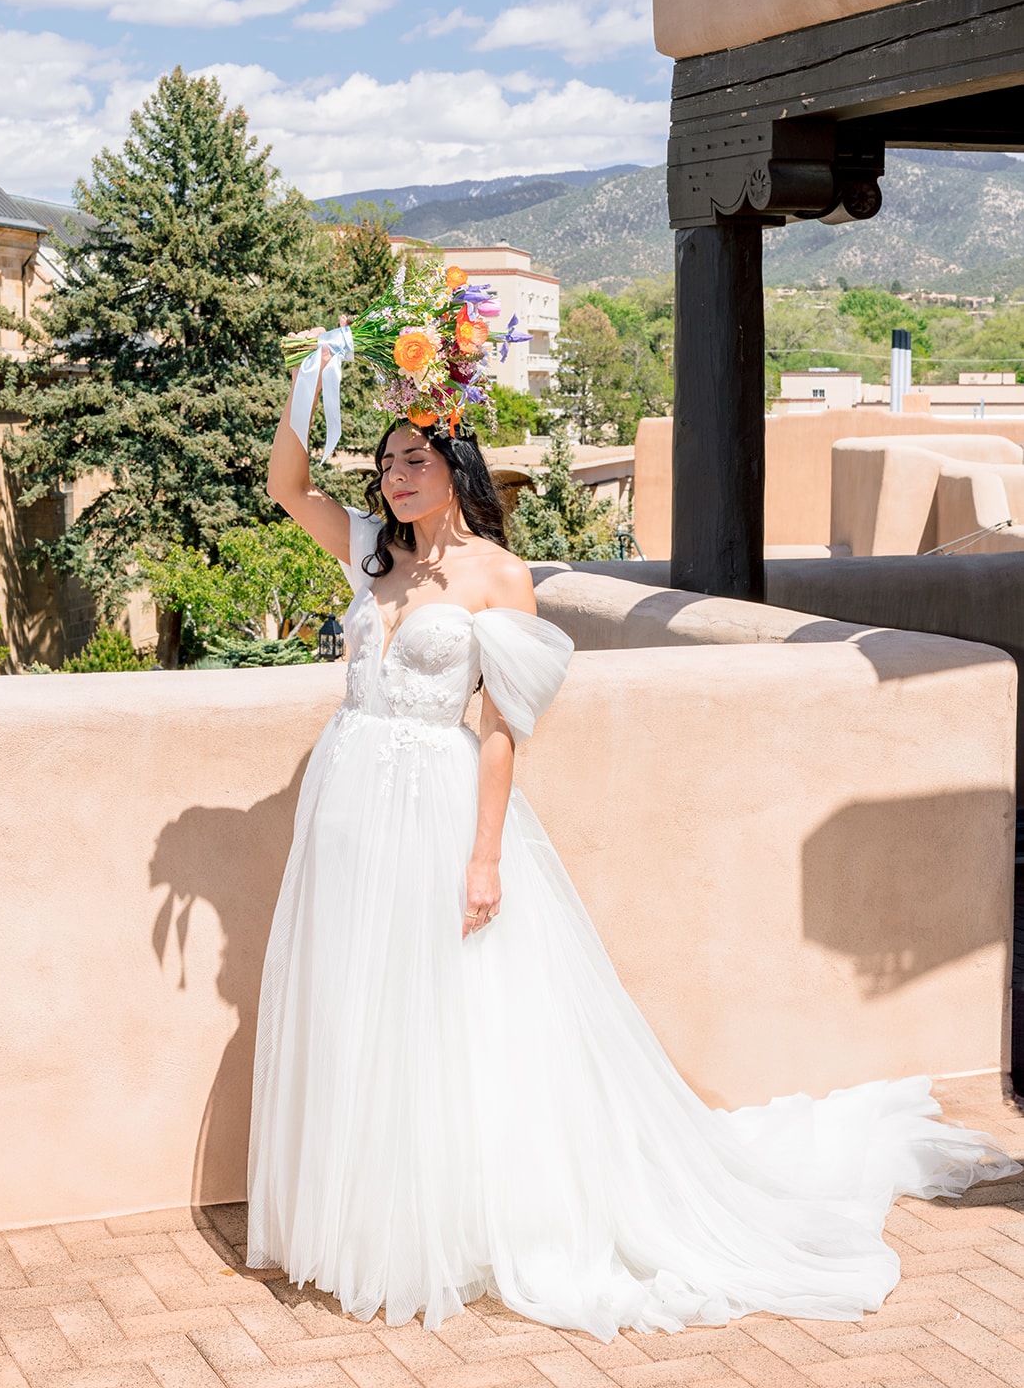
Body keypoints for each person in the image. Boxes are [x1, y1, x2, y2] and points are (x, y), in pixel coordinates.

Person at [247, 331, 1018, 1342]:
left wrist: (483, 858)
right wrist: (311, 382)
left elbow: (498, 733)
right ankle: (370, 1214)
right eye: (386, 462)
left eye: (415, 460)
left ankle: (453, 1218)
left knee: (444, 1005)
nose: (395, 479)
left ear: (454, 468)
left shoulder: (500, 579)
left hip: (437, 804)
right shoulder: (366, 552)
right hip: (349, 798)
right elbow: (281, 482)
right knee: (363, 996)